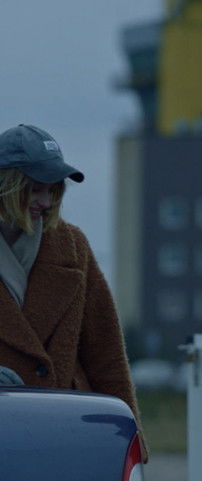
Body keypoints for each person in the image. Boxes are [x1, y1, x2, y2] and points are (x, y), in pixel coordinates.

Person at [0, 124, 148, 461]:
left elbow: (106, 353)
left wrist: (131, 446)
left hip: (65, 432)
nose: (46, 202)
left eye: (53, 190)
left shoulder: (72, 246)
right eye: (35, 190)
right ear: (7, 186)